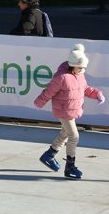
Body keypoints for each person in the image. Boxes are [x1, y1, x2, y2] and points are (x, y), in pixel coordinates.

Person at [34, 44, 104, 179]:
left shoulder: (79, 75)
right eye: (81, 67)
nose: (83, 70)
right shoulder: (61, 77)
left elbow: (85, 89)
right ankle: (70, 167)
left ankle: (49, 155)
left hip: (73, 110)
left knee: (65, 133)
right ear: (74, 65)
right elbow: (48, 92)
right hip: (64, 111)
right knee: (74, 136)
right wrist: (39, 102)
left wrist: (97, 94)